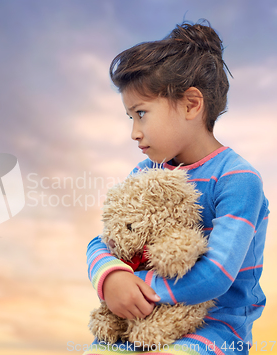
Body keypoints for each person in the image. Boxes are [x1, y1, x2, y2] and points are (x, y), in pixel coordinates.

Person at [84, 20, 269, 355]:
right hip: (144, 321)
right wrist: (111, 278)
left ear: (190, 105)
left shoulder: (238, 180)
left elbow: (216, 274)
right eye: (130, 118)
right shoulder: (146, 173)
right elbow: (104, 241)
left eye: (141, 113)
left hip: (216, 327)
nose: (134, 132)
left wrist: (137, 286)